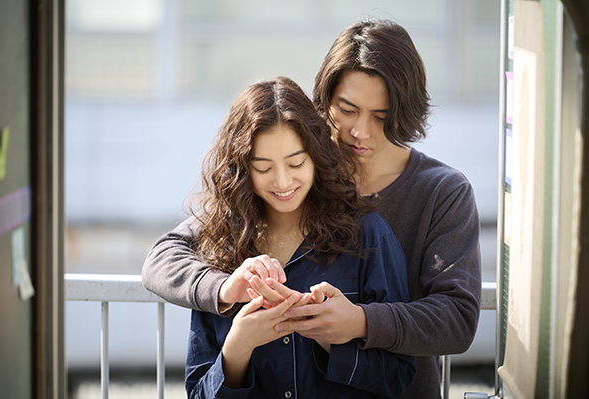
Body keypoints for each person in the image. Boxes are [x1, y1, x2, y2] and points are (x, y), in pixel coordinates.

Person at [142, 19, 482, 399]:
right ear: (326, 100)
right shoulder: (294, 172)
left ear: (407, 110)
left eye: (382, 117)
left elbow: (458, 318)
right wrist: (224, 291)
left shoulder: (441, 192)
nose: (361, 132)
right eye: (347, 109)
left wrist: (359, 321)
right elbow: (166, 255)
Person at [181, 76, 414, 398]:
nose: (282, 181)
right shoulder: (220, 246)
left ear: (316, 156)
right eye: (263, 168)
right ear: (240, 168)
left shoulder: (367, 235)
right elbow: (198, 393)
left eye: (296, 163)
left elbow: (398, 378)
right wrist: (238, 345)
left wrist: (330, 336)